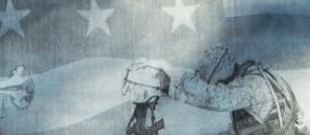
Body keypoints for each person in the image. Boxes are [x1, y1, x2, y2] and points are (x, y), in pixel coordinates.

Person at [124, 45, 306, 135]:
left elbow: (213, 98)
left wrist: (171, 71)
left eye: (217, 83)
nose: (218, 87)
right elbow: (207, 97)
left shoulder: (253, 86)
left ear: (224, 73)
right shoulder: (254, 76)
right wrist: (169, 89)